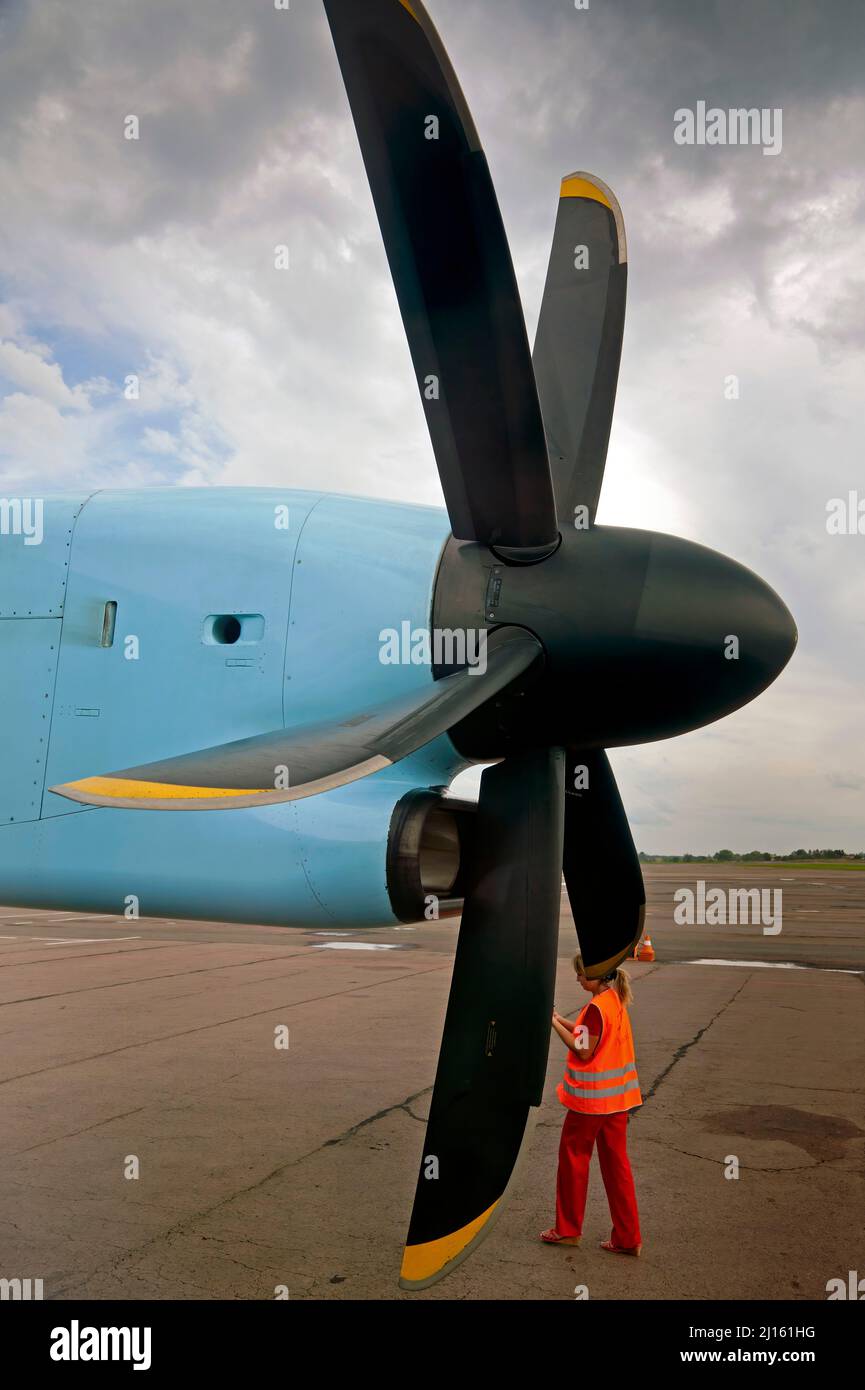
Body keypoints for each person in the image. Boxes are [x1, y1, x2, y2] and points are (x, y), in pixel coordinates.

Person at [540, 953, 643, 1255]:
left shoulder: (596, 1008)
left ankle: (568, 1230)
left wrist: (551, 1025)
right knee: (617, 1168)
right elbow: (591, 1035)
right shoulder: (614, 999)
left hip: (591, 1102)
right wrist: (560, 1019)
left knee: (573, 1161)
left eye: (581, 975)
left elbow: (583, 1049)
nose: (578, 979)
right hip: (618, 1101)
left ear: (597, 975)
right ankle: (628, 1238)